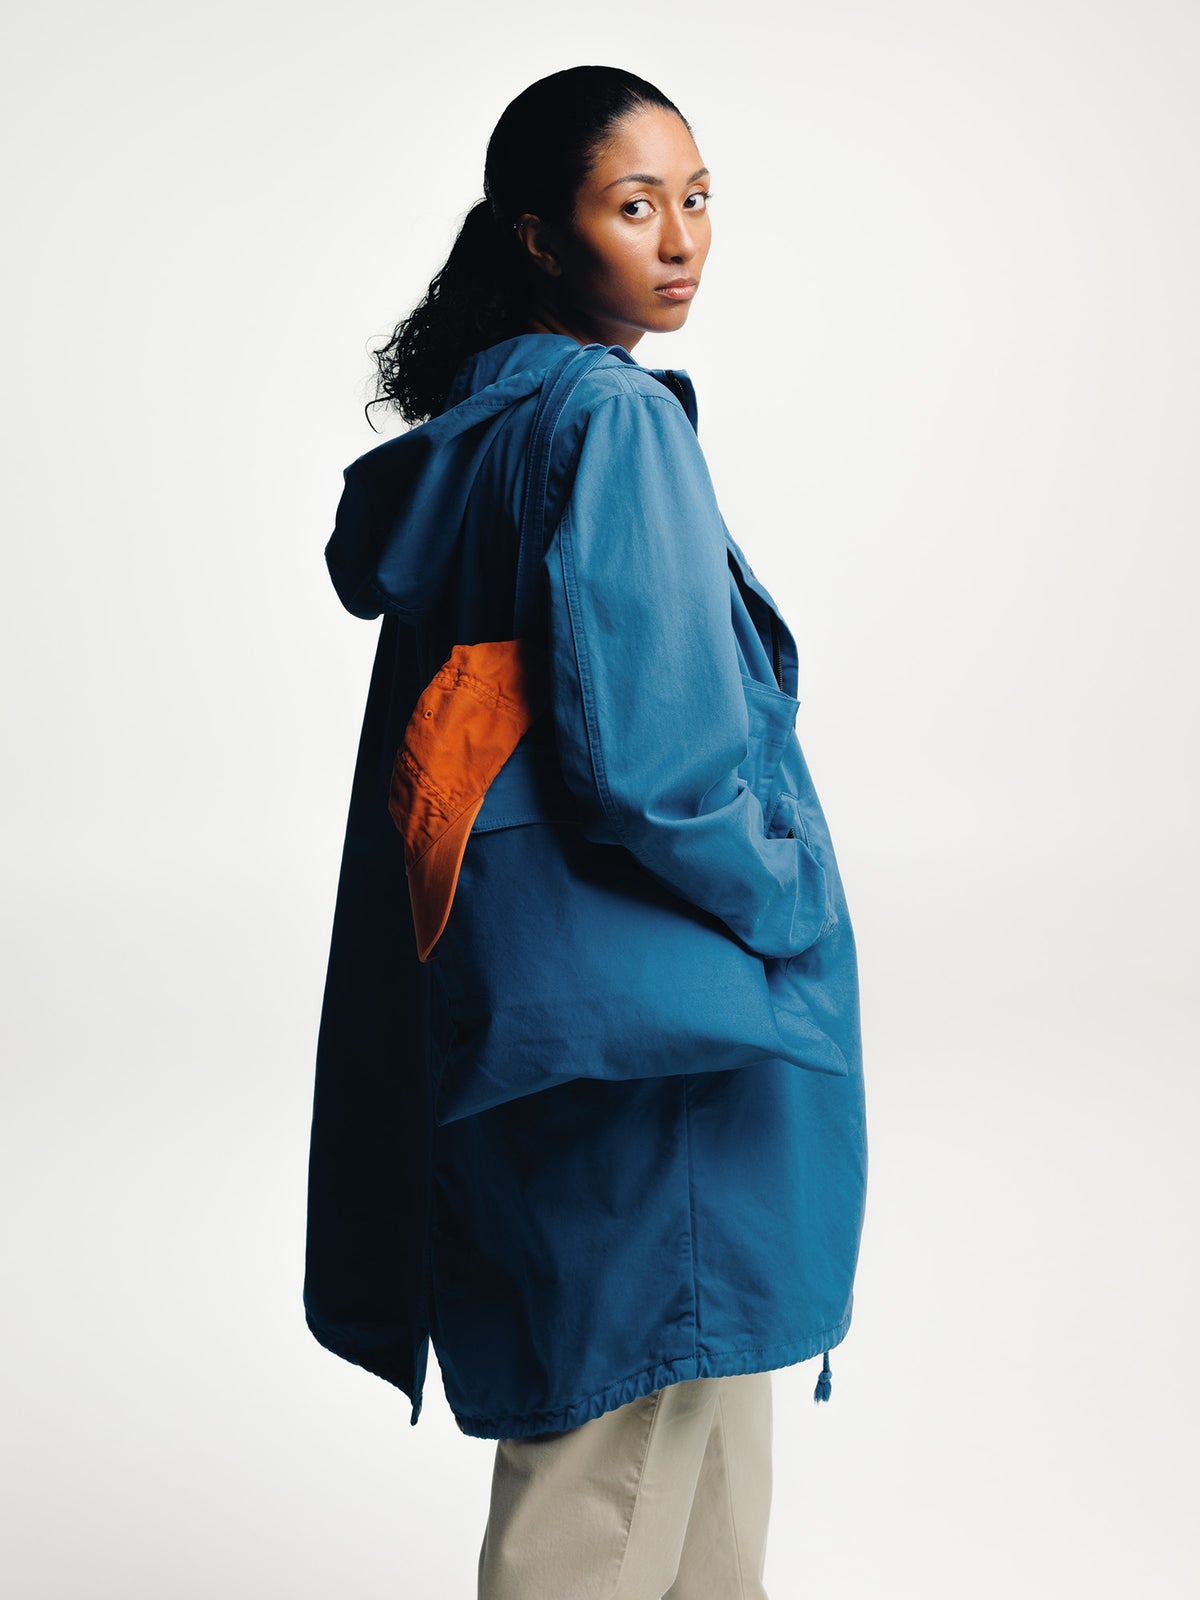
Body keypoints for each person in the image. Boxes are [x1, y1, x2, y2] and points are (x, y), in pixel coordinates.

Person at [304, 64, 869, 1600]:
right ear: (541, 236)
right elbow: (657, 771)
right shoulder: (612, 421)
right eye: (634, 206)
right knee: (610, 1477)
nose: (680, 240)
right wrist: (796, 897)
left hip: (565, 1029)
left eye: (698, 200)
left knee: (698, 1459)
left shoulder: (496, 424)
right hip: (662, 1044)